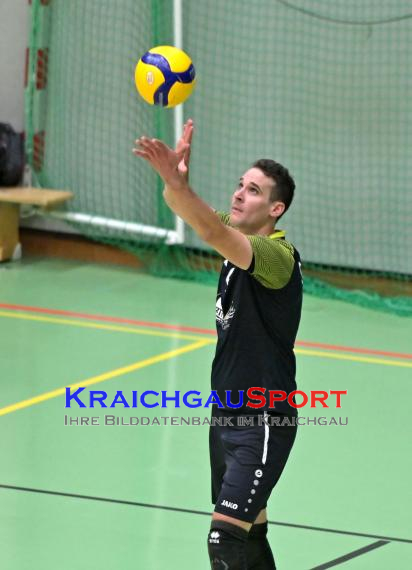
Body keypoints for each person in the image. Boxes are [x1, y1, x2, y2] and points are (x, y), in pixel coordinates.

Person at [133, 119, 302, 569]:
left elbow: (209, 231)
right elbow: (195, 216)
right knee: (249, 533)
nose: (239, 193)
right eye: (239, 184)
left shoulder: (275, 257)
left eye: (253, 191)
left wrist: (177, 186)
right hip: (224, 415)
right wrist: (175, 183)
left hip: (262, 419)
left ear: (276, 210)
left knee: (223, 539)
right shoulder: (236, 239)